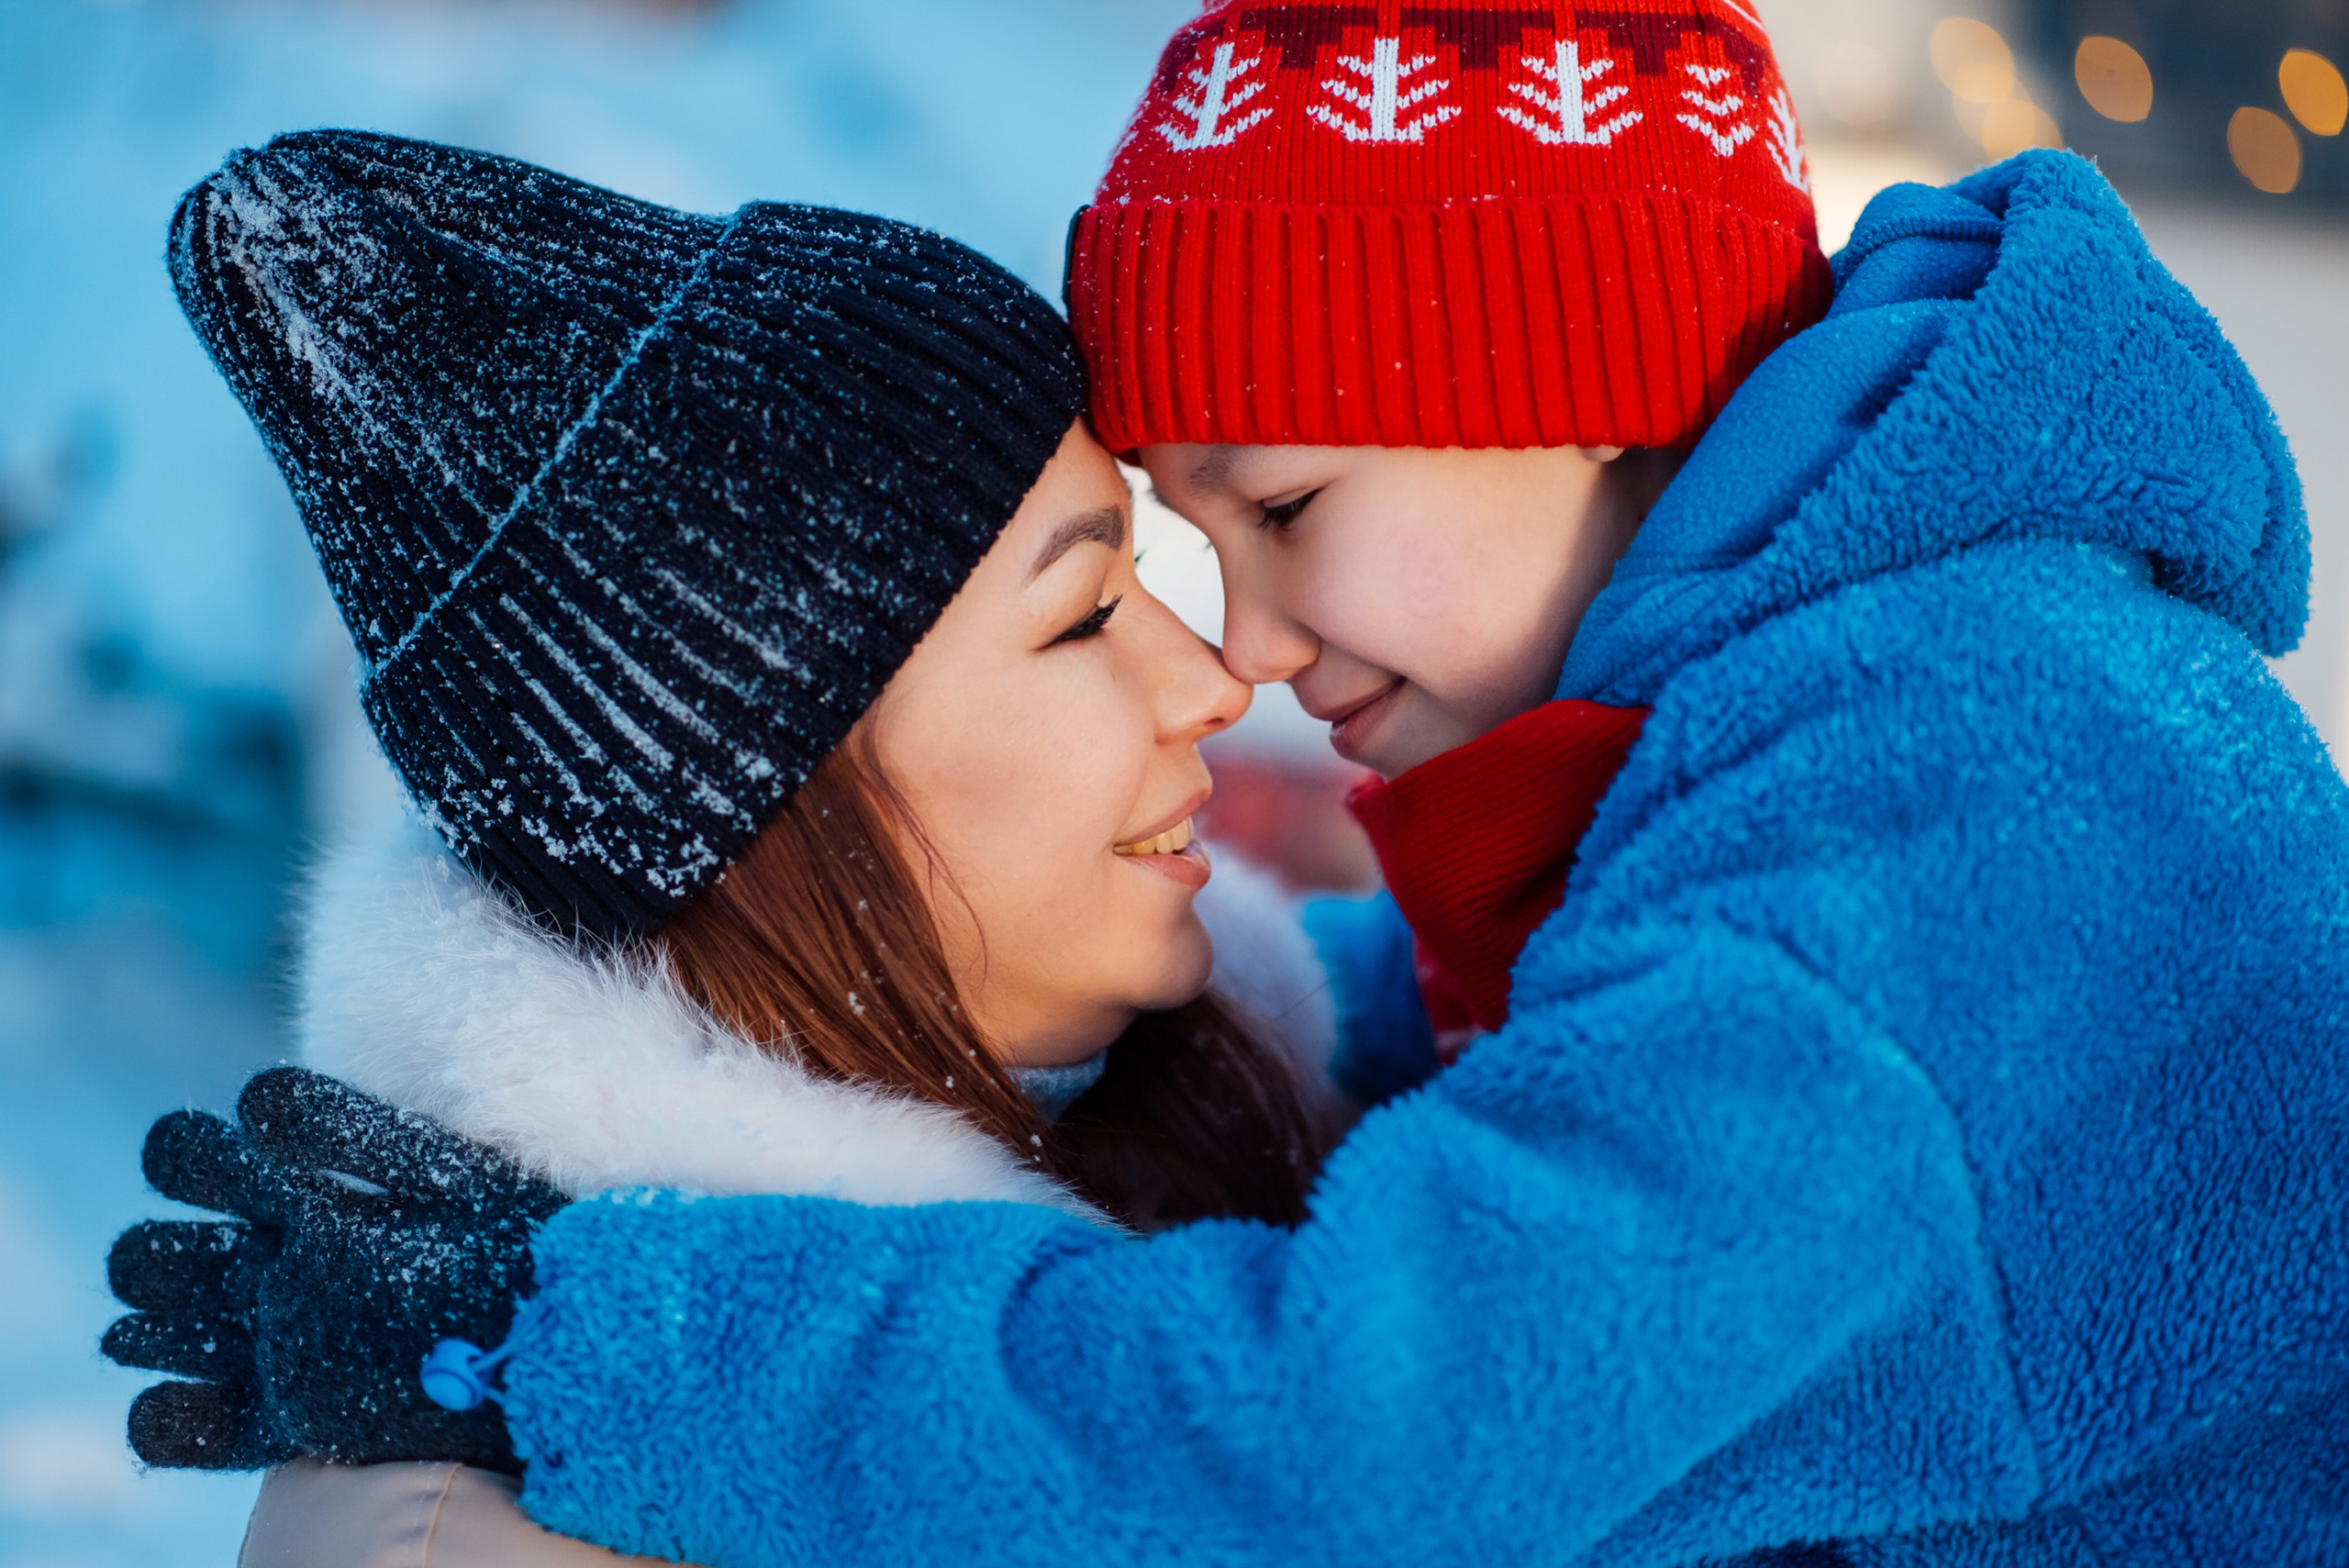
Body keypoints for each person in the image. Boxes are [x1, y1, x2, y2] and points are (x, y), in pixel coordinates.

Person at [119, 1, 2349, 1561]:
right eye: (1154, 569)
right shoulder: (1928, 686)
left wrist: (558, 1336)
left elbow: (1362, 1449)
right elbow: (1622, 1047)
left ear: (1572, 382)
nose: (1246, 656)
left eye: (1278, 505)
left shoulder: (1934, 821)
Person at [104, 128, 1348, 1565]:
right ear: (776, 801)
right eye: (1082, 615)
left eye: (1146, 575)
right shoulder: (478, 1540)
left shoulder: (1296, 1126)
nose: (1212, 679)